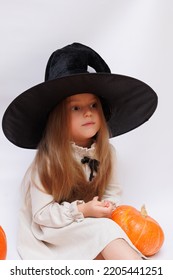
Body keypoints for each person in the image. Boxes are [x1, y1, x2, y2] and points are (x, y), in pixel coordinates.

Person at [2, 43, 157, 260]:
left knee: (107, 232)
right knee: (105, 232)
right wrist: (83, 211)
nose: (87, 113)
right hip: (54, 230)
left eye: (93, 105)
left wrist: (107, 205)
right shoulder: (48, 160)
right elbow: (41, 215)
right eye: (76, 108)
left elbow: (113, 191)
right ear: (59, 118)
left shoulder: (107, 152)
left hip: (88, 221)